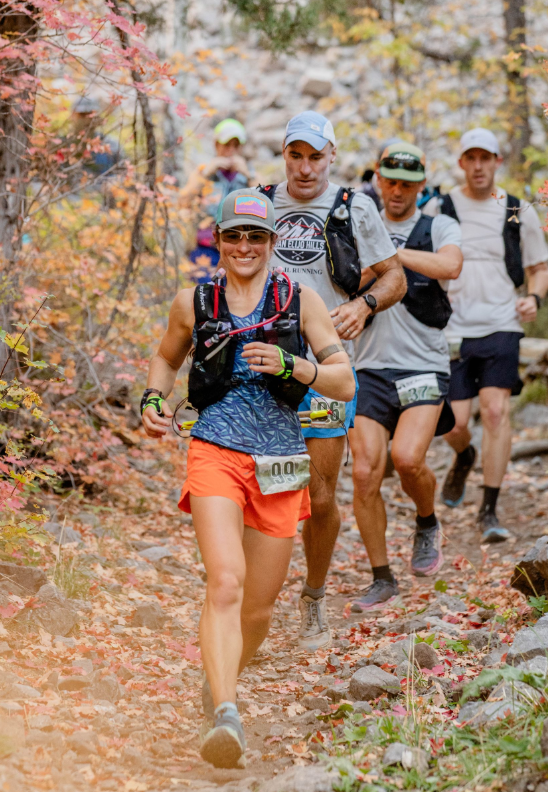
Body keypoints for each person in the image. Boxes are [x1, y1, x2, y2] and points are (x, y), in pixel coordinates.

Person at [141, 189, 355, 768]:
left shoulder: (300, 301)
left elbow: (343, 382)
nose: (243, 246)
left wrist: (294, 364)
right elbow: (166, 360)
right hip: (215, 450)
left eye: (255, 236)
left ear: (271, 242)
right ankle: (227, 714)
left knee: (257, 610)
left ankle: (221, 677)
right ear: (217, 239)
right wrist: (152, 398)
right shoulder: (194, 301)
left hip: (280, 460)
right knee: (226, 582)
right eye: (233, 235)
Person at [256, 111, 406, 650]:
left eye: (315, 156)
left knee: (320, 498)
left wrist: (364, 306)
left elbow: (395, 276)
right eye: (295, 155)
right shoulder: (259, 202)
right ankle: (253, 606)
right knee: (264, 491)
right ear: (284, 154)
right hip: (263, 367)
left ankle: (313, 598)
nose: (304, 167)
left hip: (327, 371)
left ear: (331, 157)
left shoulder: (354, 207)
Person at [350, 142, 463, 611]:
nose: (397, 191)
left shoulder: (438, 225)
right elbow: (344, 279)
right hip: (368, 366)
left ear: (421, 185)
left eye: (407, 184)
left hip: (423, 364)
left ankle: (427, 520)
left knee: (408, 458)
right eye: (390, 181)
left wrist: (392, 255)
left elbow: (450, 264)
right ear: (378, 180)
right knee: (364, 472)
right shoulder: (358, 224)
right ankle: (381, 577)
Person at [429, 128, 548, 541]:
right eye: (472, 158)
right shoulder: (441, 207)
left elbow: (538, 267)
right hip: (452, 328)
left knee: (496, 412)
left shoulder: (516, 209)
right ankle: (465, 455)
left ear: (497, 161)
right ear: (462, 162)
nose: (479, 166)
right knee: (453, 423)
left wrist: (533, 297)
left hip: (502, 323)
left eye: (486, 158)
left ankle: (489, 511)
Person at [181, 118, 251, 283]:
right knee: (205, 292)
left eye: (236, 146)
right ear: (216, 145)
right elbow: (183, 200)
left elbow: (268, 202)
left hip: (239, 249)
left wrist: (248, 175)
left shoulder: (249, 174)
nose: (231, 151)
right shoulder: (203, 172)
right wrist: (207, 173)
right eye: (226, 145)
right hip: (206, 247)